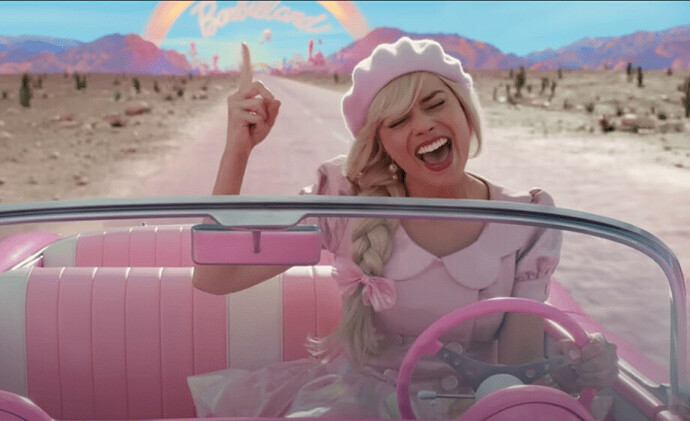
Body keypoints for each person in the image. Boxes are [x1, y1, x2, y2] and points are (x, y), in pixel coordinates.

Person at [189, 37, 618, 418]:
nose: (423, 125)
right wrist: (237, 150)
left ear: (464, 110)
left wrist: (571, 368)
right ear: (382, 142)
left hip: (474, 407)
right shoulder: (344, 200)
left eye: (435, 104)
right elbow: (215, 277)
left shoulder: (527, 220)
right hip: (354, 406)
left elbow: (516, 365)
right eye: (398, 121)